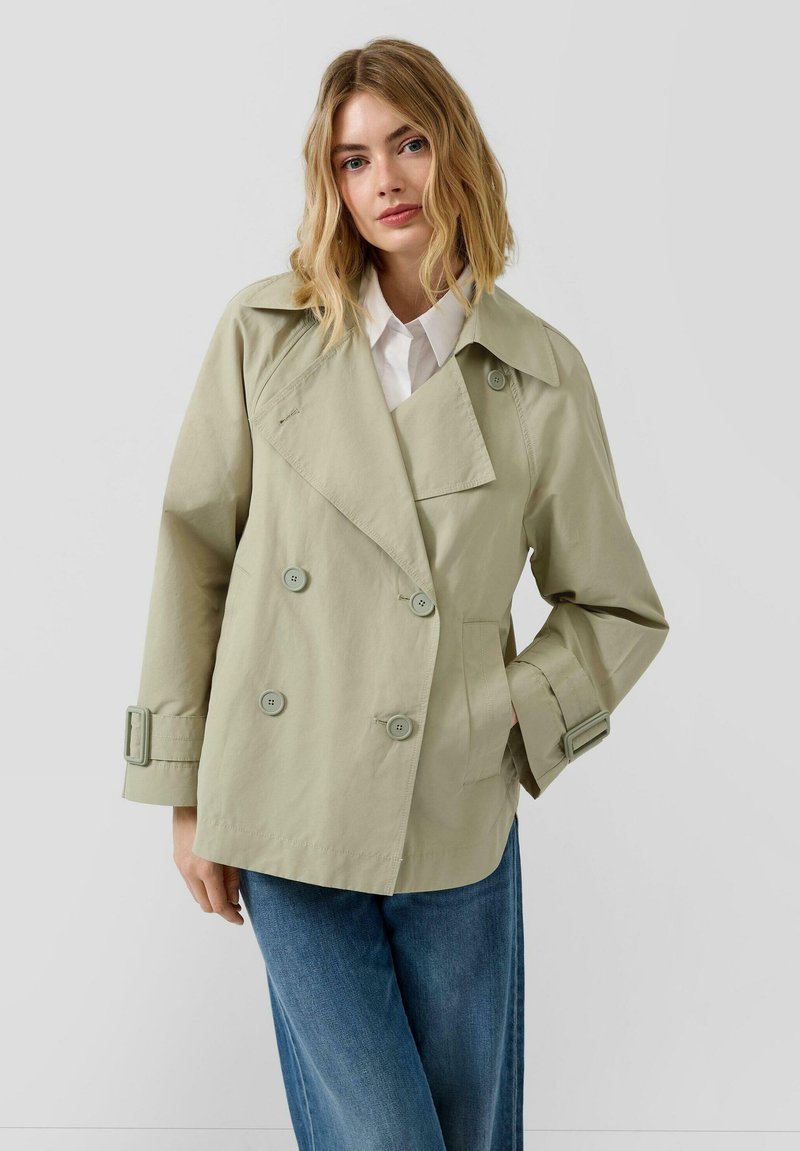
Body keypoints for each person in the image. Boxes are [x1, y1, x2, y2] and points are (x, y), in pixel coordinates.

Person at [122, 36, 669, 1150]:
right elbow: (194, 553)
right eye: (353, 158)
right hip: (282, 804)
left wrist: (497, 718)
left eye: (408, 143)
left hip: (453, 818)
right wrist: (184, 789)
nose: (385, 179)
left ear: (454, 150)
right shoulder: (264, 336)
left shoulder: (538, 372)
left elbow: (615, 605)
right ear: (331, 182)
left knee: (468, 1134)